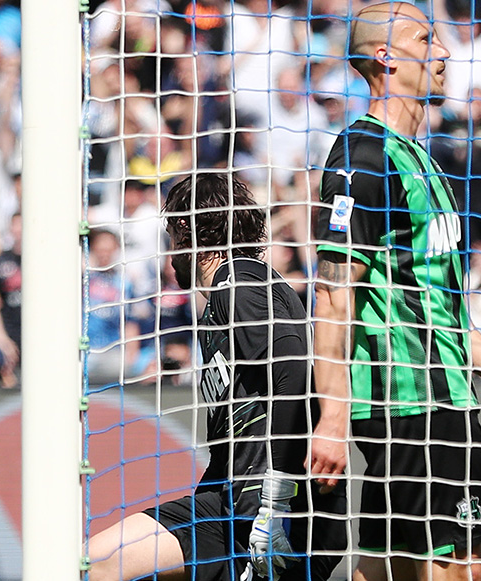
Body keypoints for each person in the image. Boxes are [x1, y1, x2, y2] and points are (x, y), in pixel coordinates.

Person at [88, 174, 345, 581]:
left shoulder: (241, 282)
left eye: (172, 235)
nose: (171, 252)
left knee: (98, 566)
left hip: (278, 514)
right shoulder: (224, 300)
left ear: (188, 230)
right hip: (228, 504)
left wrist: (275, 502)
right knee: (91, 562)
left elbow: (293, 367)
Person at [309, 4, 481, 580]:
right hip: (414, 402)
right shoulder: (364, 155)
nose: (444, 52)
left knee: (385, 568)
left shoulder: (424, 160)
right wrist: (333, 416)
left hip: (449, 394)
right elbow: (334, 294)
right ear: (385, 56)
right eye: (425, 38)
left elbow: (436, 302)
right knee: (459, 568)